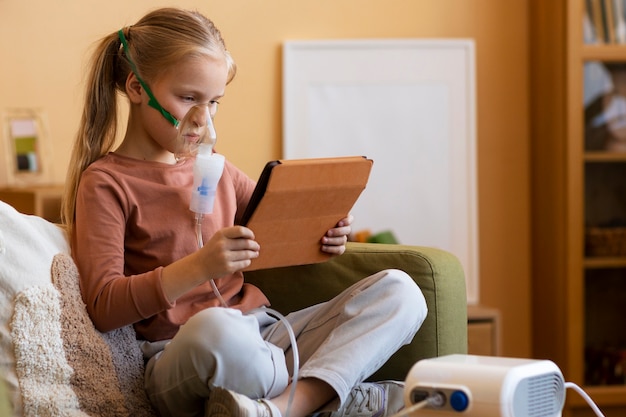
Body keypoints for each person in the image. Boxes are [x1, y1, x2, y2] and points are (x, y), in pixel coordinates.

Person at [61, 7, 427, 417]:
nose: (203, 119)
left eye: (214, 101)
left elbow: (274, 228)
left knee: (401, 292)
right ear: (136, 87)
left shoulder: (216, 169)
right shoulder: (106, 183)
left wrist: (324, 233)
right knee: (217, 331)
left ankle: (278, 409)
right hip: (183, 354)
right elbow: (104, 305)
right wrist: (200, 266)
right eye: (188, 99)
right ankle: (330, 395)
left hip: (265, 334)